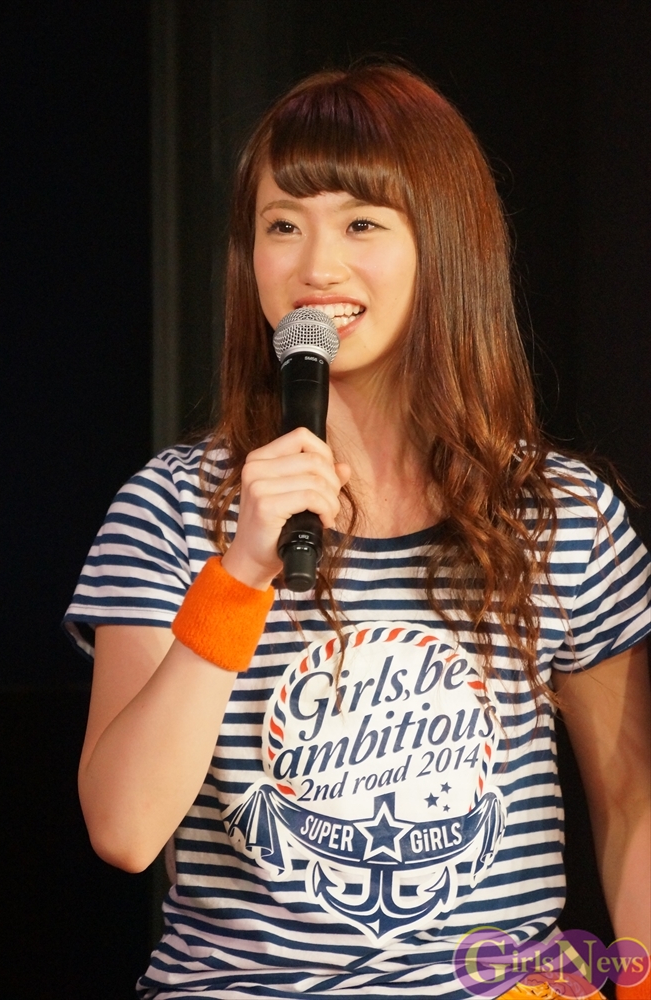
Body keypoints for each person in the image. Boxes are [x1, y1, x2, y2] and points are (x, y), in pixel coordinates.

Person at [65, 64, 650, 1000]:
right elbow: (125, 830)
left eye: (362, 224)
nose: (315, 267)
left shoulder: (558, 514)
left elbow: (631, 807)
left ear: (443, 244)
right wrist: (241, 572)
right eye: (281, 225)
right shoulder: (170, 509)